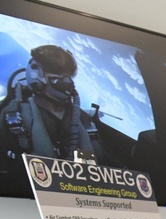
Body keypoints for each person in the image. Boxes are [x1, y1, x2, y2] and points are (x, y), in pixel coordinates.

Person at [0, 45, 105, 193]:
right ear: (36, 74)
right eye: (57, 75)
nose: (67, 82)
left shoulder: (79, 118)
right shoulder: (13, 117)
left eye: (67, 75)